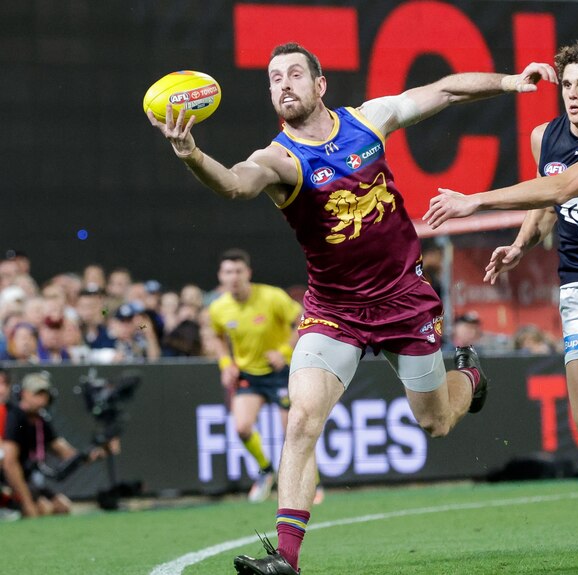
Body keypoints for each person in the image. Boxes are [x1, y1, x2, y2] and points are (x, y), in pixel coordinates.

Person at [148, 41, 554, 575]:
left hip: (406, 301)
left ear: (320, 86)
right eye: (275, 78)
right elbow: (234, 185)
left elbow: (445, 89)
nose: (284, 84)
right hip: (333, 310)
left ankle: (470, 380)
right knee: (302, 422)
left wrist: (509, 81)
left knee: (435, 424)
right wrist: (192, 155)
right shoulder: (279, 159)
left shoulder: (368, 121)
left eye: (295, 74)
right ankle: (286, 560)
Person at [425, 40, 578, 567]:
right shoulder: (545, 136)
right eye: (566, 85)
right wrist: (520, 244)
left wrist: (477, 201)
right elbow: (545, 203)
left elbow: (570, 184)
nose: (572, 94)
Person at [207, 248, 305, 502]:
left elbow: (304, 319)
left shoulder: (272, 297)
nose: (234, 277)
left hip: (281, 371)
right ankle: (265, 470)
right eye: (228, 272)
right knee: (241, 427)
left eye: (239, 271)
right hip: (249, 373)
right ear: (221, 276)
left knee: (293, 431)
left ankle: (309, 482)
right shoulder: (219, 308)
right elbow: (216, 337)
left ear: (248, 273)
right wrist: (226, 363)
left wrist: (284, 351)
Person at [1, 372, 104, 518]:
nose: (42, 398)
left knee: (62, 506)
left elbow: (63, 450)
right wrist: (27, 503)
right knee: (44, 508)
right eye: (37, 393)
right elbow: (9, 464)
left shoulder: (41, 421)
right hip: (11, 484)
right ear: (24, 394)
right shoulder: (15, 417)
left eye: (45, 394)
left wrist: (89, 455)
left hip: (29, 480)